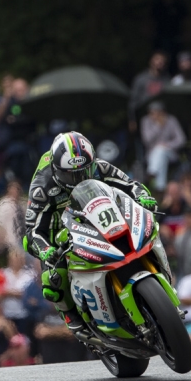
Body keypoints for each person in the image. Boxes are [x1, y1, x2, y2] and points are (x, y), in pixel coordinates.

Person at [24, 132, 159, 333]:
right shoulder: (42, 188)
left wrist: (143, 197)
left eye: (83, 171)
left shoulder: (100, 167)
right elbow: (32, 231)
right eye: (70, 174)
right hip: (58, 225)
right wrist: (45, 250)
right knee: (53, 279)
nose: (78, 178)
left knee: (144, 226)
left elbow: (132, 185)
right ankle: (71, 314)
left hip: (98, 211)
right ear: (56, 169)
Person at [140, 102, 186, 192]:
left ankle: (151, 173)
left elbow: (181, 139)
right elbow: (146, 140)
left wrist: (168, 144)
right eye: (152, 113)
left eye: (157, 113)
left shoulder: (171, 120)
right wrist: (158, 126)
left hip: (171, 152)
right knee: (161, 156)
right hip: (151, 155)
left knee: (161, 149)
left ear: (163, 112)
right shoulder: (145, 121)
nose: (154, 116)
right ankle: (161, 188)